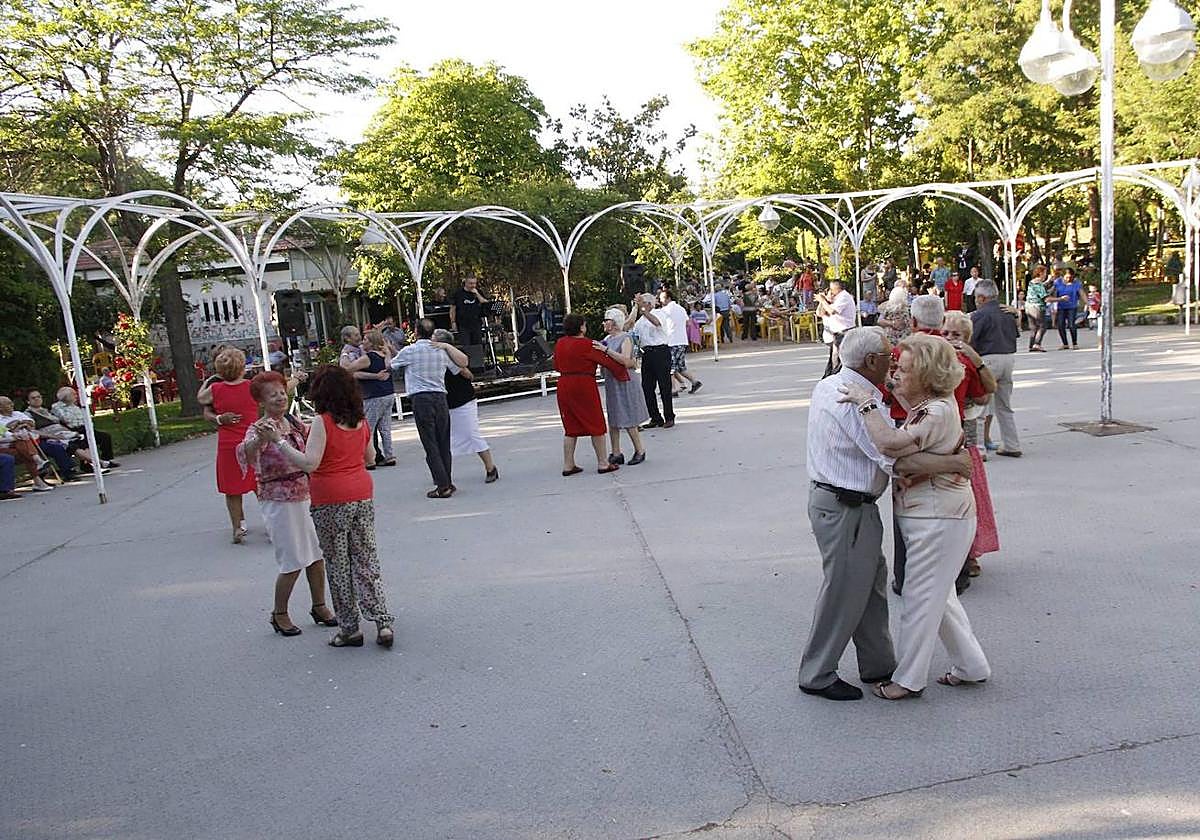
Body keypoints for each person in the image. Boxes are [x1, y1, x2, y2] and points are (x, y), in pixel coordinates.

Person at [798, 327, 972, 701]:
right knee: (844, 590)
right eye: (891, 358)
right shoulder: (854, 399)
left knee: (868, 586)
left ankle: (877, 663)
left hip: (848, 505)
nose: (894, 367)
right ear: (872, 361)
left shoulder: (835, 384)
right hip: (845, 506)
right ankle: (817, 673)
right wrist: (953, 462)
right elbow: (890, 456)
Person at [838, 333, 992, 700]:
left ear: (926, 374)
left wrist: (864, 403)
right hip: (937, 516)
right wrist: (940, 462)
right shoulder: (933, 403)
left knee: (920, 599)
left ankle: (907, 680)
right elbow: (905, 438)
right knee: (941, 597)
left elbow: (889, 445)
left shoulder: (936, 411)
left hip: (938, 518)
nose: (895, 376)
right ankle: (971, 666)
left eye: (904, 370)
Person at [267, 365, 394, 648]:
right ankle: (382, 621)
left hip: (330, 498)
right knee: (366, 559)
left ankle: (350, 628)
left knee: (338, 564)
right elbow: (370, 457)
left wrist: (280, 443)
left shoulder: (322, 422)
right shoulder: (360, 420)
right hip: (361, 493)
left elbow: (310, 463)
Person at [235, 371, 338, 637]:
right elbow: (247, 453)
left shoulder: (293, 422)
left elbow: (315, 444)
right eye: (273, 395)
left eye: (282, 392)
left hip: (305, 494)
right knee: (291, 560)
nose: (280, 397)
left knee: (316, 555)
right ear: (261, 401)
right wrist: (263, 439)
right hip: (278, 499)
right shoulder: (259, 428)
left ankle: (319, 606)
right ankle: (279, 613)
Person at [943, 311, 1001, 585]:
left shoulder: (967, 360)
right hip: (939, 434)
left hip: (963, 436)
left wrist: (974, 358)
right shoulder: (931, 356)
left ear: (967, 338)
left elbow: (986, 394)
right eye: (946, 333)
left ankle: (971, 553)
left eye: (956, 335)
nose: (949, 338)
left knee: (970, 496)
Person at [390, 318, 470, 498]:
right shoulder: (440, 351)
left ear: (416, 332)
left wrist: (388, 352)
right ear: (432, 333)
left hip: (421, 398)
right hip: (440, 397)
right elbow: (458, 368)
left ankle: (442, 486)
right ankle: (447, 480)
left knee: (430, 443)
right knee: (443, 442)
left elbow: (392, 365)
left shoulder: (409, 351)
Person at [553, 312, 628, 475]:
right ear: (581, 327)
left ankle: (568, 464)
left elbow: (556, 366)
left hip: (564, 384)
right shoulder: (588, 344)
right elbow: (607, 362)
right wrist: (623, 372)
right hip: (584, 384)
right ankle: (602, 463)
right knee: (596, 424)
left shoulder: (560, 343)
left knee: (570, 427)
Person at [199, 348, 258, 544]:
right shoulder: (251, 387)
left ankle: (237, 527)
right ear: (242, 368)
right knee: (260, 484)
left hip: (228, 444)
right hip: (252, 440)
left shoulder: (216, 389)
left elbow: (201, 398)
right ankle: (271, 521)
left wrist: (210, 380)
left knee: (232, 490)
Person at [432, 329, 499, 483]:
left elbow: (468, 373)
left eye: (434, 339)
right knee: (442, 439)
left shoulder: (455, 353)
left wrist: (457, 366)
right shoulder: (434, 356)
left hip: (463, 399)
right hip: (445, 401)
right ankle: (442, 475)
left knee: (471, 434)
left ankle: (491, 468)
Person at [971, 279, 1021, 458]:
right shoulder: (1007, 312)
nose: (975, 301)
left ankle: (979, 449)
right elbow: (1015, 334)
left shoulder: (979, 315)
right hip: (1008, 358)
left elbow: (972, 340)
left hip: (988, 360)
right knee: (1004, 405)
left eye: (976, 297)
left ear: (982, 298)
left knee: (980, 407)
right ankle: (1012, 444)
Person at [600, 308, 649, 466]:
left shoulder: (626, 338)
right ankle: (616, 452)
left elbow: (627, 361)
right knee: (613, 417)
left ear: (614, 323)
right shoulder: (606, 339)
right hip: (612, 381)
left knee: (628, 415)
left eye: (606, 320)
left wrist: (606, 351)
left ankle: (640, 450)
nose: (604, 323)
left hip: (625, 380)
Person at [24, 388, 113, 474]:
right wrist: (54, 436)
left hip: (64, 432)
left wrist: (69, 432)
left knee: (82, 439)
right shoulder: (28, 414)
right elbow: (33, 431)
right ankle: (99, 463)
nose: (37, 399)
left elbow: (60, 424)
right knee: (72, 445)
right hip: (50, 436)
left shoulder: (46, 410)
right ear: (28, 401)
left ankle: (94, 465)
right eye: (33, 398)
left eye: (39, 397)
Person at [0, 396, 72, 490]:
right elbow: (6, 432)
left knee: (27, 447)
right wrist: (15, 433)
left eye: (11, 402)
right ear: (0, 407)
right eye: (8, 404)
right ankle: (38, 465)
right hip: (8, 446)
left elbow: (31, 424)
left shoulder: (18, 413)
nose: (12, 405)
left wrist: (18, 426)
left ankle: (41, 476)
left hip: (30, 441)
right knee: (24, 445)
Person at [628, 293, 675, 429]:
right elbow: (632, 331)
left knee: (664, 385)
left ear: (649, 304)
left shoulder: (659, 313)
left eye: (643, 303)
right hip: (647, 353)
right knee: (647, 387)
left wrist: (643, 310)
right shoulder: (640, 321)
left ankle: (669, 416)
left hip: (660, 351)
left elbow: (657, 322)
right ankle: (655, 417)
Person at [358, 330, 396, 470]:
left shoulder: (368, 357)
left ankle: (370, 459)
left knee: (369, 428)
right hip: (388, 393)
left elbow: (348, 368)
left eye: (365, 339)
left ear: (372, 342)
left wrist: (345, 356)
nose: (363, 342)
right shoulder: (385, 355)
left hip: (374, 395)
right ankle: (389, 455)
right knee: (385, 427)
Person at [658, 288, 702, 396]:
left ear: (668, 298)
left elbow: (659, 323)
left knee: (669, 367)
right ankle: (694, 381)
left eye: (662, 298)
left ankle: (673, 389)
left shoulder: (665, 310)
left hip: (672, 341)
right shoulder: (681, 308)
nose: (660, 300)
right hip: (682, 340)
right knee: (680, 366)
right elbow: (688, 323)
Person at [815, 278, 856, 378]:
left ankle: (838, 376)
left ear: (837, 288)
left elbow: (832, 311)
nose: (831, 291)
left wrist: (823, 300)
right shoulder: (836, 298)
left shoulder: (844, 297)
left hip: (844, 331)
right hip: (836, 333)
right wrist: (823, 301)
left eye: (832, 289)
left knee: (838, 358)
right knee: (834, 358)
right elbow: (820, 313)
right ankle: (833, 375)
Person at [450, 277, 488, 347]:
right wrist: (453, 322)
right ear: (466, 283)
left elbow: (485, 303)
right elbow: (453, 309)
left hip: (476, 323)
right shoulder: (458, 293)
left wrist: (477, 294)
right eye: (471, 283)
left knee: (477, 345)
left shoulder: (478, 292)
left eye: (474, 283)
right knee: (466, 346)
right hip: (463, 324)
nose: (473, 285)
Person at [1053, 267, 1083, 349]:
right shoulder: (1057, 282)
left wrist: (1088, 304)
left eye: (1070, 277)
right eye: (1066, 277)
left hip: (1072, 306)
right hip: (1061, 306)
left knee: (1071, 325)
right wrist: (1054, 305)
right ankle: (1065, 343)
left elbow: (1082, 293)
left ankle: (1075, 343)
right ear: (1062, 276)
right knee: (1060, 325)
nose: (1068, 279)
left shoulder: (1076, 283)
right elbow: (1055, 293)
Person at [1024, 265, 1051, 352]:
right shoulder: (1038, 284)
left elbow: (1042, 287)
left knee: (1033, 327)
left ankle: (1031, 345)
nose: (1045, 275)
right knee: (1042, 326)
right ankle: (1037, 344)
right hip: (1037, 307)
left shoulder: (1032, 282)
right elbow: (1046, 298)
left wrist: (1048, 281)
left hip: (1029, 306)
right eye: (1045, 273)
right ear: (1041, 273)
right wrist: (1061, 299)